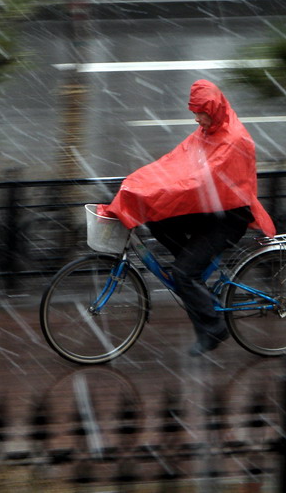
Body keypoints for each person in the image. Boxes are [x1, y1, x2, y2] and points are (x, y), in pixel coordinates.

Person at [99, 79, 275, 357]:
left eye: (201, 112)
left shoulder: (232, 140)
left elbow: (198, 182)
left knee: (183, 273)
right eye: (195, 111)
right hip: (210, 210)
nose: (196, 118)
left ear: (214, 110)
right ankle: (195, 280)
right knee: (157, 219)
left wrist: (154, 192)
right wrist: (141, 183)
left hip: (228, 218)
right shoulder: (209, 130)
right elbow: (175, 162)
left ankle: (213, 327)